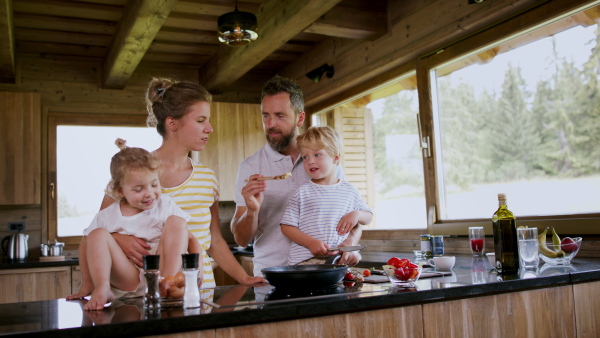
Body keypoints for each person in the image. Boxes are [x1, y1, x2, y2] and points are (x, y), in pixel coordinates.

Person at [105, 77, 266, 294]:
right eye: (201, 121)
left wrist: (243, 277)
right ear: (173, 124)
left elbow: (215, 241)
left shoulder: (207, 178)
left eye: (208, 121)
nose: (209, 128)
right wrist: (117, 238)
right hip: (147, 294)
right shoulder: (134, 173)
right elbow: (99, 228)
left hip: (200, 291)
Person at [231, 75, 363, 277]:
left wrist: (350, 243)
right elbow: (241, 240)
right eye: (265, 115)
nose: (271, 124)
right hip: (271, 276)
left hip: (324, 272)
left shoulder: (325, 163)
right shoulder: (250, 166)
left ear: (300, 118)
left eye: (280, 115)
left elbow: (353, 217)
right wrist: (251, 211)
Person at [67, 139, 201, 310]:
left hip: (160, 269)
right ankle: (102, 288)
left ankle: (168, 281)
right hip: (129, 275)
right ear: (120, 190)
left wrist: (197, 271)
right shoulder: (108, 216)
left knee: (178, 221)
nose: (149, 194)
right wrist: (87, 283)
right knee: (95, 234)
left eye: (154, 184)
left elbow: (190, 239)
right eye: (139, 189)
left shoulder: (165, 205)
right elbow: (85, 245)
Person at [280, 127, 373, 265]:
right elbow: (287, 227)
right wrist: (311, 243)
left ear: (335, 158)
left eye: (317, 155)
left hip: (338, 262)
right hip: (305, 263)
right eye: (305, 157)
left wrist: (357, 214)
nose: (310, 161)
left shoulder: (350, 191)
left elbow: (368, 217)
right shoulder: (302, 192)